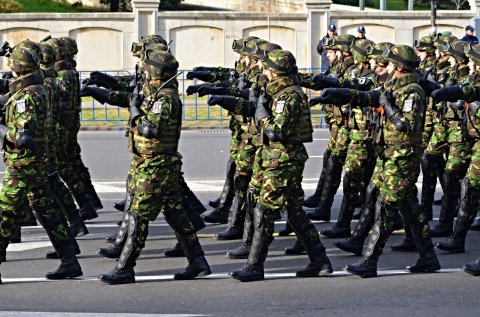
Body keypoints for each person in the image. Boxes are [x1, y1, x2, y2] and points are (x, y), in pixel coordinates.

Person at [98, 49, 211, 285]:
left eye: (147, 68)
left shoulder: (166, 99)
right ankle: (198, 262)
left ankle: (125, 268)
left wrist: (135, 113)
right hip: (155, 164)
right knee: (177, 216)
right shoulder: (159, 93)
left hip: (156, 167)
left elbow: (151, 129)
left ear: (156, 72)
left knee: (138, 217)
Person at [0, 40, 83, 283]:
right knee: (48, 211)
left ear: (18, 66)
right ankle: (70, 261)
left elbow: (23, 136)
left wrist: (1, 130)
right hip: (36, 164)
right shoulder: (35, 88)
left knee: (5, 213)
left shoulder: (29, 96)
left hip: (24, 165)